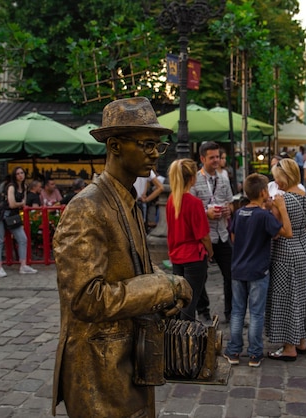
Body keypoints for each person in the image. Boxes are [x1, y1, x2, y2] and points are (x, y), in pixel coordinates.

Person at [51, 97, 192, 418]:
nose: (155, 153)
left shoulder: (125, 199)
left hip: (128, 363)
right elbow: (87, 299)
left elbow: (133, 266)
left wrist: (161, 287)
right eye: (145, 144)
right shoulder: (87, 207)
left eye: (158, 145)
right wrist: (162, 288)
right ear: (114, 146)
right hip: (100, 374)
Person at [224, 173, 292, 367]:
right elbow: (287, 232)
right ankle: (254, 353)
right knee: (256, 313)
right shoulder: (264, 216)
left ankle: (234, 351)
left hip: (238, 269)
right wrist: (281, 208)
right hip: (258, 271)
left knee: (237, 312)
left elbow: (235, 238)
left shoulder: (239, 213)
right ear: (264, 192)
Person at [266, 158, 306, 361]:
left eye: (277, 179)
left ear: (284, 178)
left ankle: (289, 347)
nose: (276, 183)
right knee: (302, 296)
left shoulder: (282, 199)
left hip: (286, 252)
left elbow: (278, 232)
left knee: (286, 299)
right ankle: (301, 341)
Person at [190, 141, 234, 323]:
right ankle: (203, 310)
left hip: (222, 233)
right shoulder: (194, 179)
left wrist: (228, 210)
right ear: (202, 159)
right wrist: (206, 212)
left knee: (231, 275)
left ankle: (230, 312)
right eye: (212, 157)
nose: (216, 160)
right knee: (201, 276)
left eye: (218, 157)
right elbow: (190, 209)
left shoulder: (224, 178)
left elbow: (230, 202)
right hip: (204, 235)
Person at [167, 159, 213, 321]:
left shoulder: (172, 200)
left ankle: (178, 334)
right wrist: (211, 252)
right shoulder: (194, 203)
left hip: (176, 255)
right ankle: (186, 337)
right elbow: (203, 236)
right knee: (190, 300)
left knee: (180, 299)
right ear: (192, 178)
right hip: (193, 256)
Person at [0, 166, 37, 278]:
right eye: (18, 174)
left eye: (22, 173)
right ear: (14, 176)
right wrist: (20, 204)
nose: (20, 175)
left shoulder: (24, 186)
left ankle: (23, 265)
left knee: (23, 239)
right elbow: (12, 204)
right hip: (2, 214)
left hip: (13, 216)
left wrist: (21, 204)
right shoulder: (11, 187)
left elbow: (24, 202)